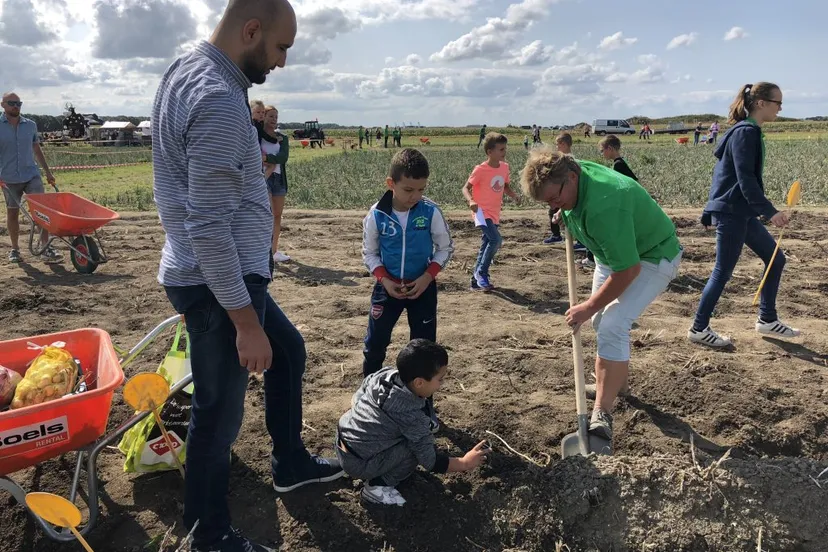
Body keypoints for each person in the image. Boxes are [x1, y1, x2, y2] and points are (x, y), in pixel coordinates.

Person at [151, 2, 344, 551]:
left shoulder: (190, 65)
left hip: (225, 274)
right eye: (281, 47)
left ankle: (290, 463)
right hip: (219, 282)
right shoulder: (216, 97)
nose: (282, 62)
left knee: (289, 350)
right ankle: (208, 536)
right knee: (218, 416)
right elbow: (208, 226)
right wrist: (244, 321)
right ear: (251, 30)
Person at [520, 149, 682, 442]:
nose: (554, 205)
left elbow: (629, 270)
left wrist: (588, 305)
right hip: (613, 253)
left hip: (652, 256)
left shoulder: (605, 206)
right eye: (547, 202)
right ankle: (617, 384)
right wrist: (564, 209)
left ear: (572, 177)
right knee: (599, 322)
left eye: (555, 198)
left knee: (612, 323)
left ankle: (602, 413)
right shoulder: (568, 170)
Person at [689, 82, 799, 348]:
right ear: (761, 103)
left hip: (741, 212)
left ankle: (767, 319)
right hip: (733, 212)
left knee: (776, 259)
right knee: (722, 272)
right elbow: (744, 178)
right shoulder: (746, 132)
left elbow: (724, 176)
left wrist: (710, 209)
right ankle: (699, 328)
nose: (780, 109)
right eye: (777, 103)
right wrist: (770, 213)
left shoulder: (747, 131)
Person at [361, 147, 454, 436]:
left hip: (422, 289)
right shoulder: (376, 215)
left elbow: (445, 248)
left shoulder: (430, 212)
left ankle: (424, 408)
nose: (415, 196)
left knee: (424, 351)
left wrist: (428, 277)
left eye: (421, 189)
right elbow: (369, 253)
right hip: (387, 289)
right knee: (375, 344)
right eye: (408, 189)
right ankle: (368, 401)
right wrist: (384, 280)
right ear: (391, 184)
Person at [336, 339, 488, 507]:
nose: (441, 385)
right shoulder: (412, 418)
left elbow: (360, 393)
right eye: (440, 379)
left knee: (408, 437)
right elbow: (430, 462)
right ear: (419, 382)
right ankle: (377, 486)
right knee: (414, 449)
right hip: (360, 464)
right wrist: (465, 462)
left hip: (342, 440)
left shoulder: (386, 375)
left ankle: (371, 457)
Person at [0, 92, 61, 264]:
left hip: (31, 175)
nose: (16, 106)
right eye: (12, 103)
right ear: (2, 105)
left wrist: (48, 172)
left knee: (41, 212)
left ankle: (45, 247)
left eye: (19, 103)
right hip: (8, 178)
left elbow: (36, 148)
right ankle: (15, 249)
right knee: (12, 213)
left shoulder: (30, 125)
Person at [463, 132, 520, 291]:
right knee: (495, 240)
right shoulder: (480, 169)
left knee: (487, 243)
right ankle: (482, 273)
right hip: (481, 213)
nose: (505, 152)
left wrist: (514, 196)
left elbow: (505, 186)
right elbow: (465, 188)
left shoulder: (504, 167)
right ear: (490, 152)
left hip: (494, 213)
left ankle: (475, 280)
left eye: (505, 148)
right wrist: (471, 201)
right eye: (501, 149)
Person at [261, 105, 291, 264]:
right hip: (264, 178)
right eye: (271, 116)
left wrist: (266, 159)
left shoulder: (282, 137)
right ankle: (262, 251)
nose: (274, 120)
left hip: (278, 178)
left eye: (276, 117)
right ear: (263, 117)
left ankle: (273, 251)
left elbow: (283, 157)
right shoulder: (257, 135)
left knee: (277, 215)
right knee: (266, 215)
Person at [542, 132, 572, 245]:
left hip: (565, 193)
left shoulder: (568, 159)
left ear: (563, 144)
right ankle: (557, 235)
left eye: (557, 144)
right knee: (553, 212)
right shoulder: (562, 158)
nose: (556, 147)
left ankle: (561, 236)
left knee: (570, 216)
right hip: (560, 192)